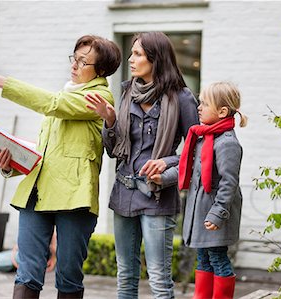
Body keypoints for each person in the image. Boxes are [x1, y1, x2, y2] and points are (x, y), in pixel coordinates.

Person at [0, 35, 121, 299]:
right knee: (27, 272)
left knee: (68, 275)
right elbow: (43, 156)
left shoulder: (99, 96)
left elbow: (53, 105)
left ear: (100, 70)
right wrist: (9, 164)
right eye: (74, 58)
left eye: (83, 61)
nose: (74, 65)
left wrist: (3, 82)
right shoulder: (67, 94)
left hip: (74, 198)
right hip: (36, 196)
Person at [86, 31, 199, 299]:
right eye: (132, 53)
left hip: (158, 196)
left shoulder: (182, 98)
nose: (131, 59)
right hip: (124, 193)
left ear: (155, 58)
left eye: (137, 54)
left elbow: (197, 153)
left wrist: (166, 168)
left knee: (159, 279)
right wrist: (110, 121)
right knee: (125, 275)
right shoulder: (127, 94)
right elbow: (114, 151)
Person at [155, 81, 247, 299]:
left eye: (205, 103)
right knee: (203, 258)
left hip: (214, 215)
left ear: (222, 111)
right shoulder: (204, 137)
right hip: (202, 212)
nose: (199, 107)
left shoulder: (227, 143)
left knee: (217, 257)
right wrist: (163, 177)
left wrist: (217, 214)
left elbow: (229, 182)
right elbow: (191, 168)